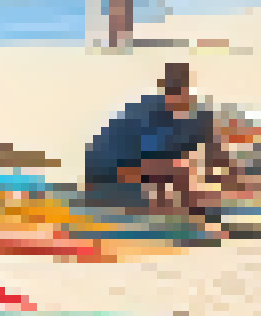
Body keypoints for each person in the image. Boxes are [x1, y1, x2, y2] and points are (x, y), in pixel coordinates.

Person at [82, 62, 245, 216]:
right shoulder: (148, 117)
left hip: (129, 171)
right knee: (173, 175)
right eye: (174, 93)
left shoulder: (196, 119)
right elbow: (154, 166)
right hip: (107, 175)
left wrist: (234, 179)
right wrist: (187, 200)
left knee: (180, 171)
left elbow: (213, 145)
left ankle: (188, 202)